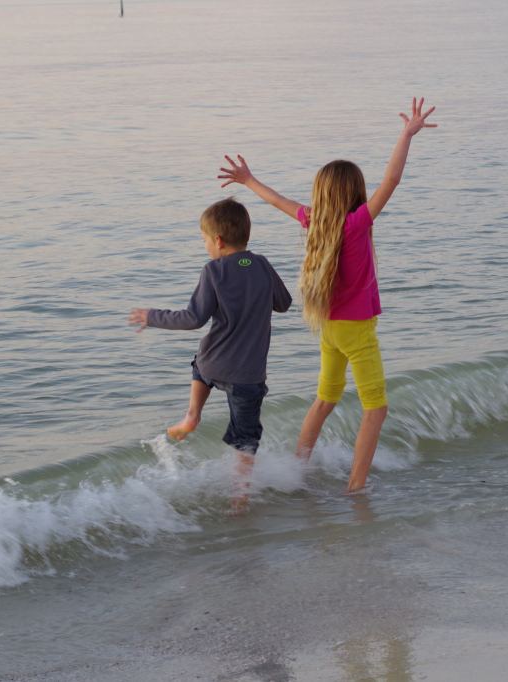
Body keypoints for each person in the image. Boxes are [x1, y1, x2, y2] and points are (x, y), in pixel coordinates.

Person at [218, 97, 437, 494]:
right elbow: (392, 181)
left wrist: (248, 181)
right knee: (376, 407)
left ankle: (298, 470)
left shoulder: (314, 222)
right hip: (357, 330)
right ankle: (356, 487)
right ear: (355, 192)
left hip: (330, 328)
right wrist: (406, 135)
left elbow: (279, 201)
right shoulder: (355, 224)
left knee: (325, 399)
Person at [128, 197, 292, 512]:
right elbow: (283, 303)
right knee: (245, 439)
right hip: (248, 376)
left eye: (204, 240)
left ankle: (192, 415)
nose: (205, 246)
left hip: (213, 363)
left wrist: (152, 316)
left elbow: (194, 318)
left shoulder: (213, 271)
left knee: (200, 366)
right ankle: (239, 499)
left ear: (217, 240)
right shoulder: (261, 264)